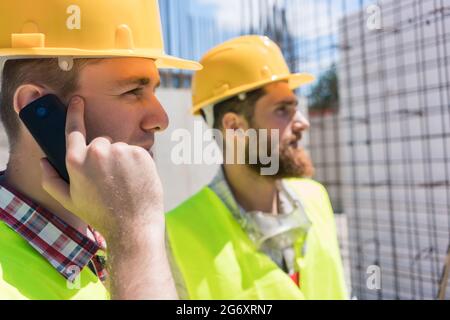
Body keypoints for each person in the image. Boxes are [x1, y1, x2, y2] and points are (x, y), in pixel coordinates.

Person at [0, 0, 201, 300]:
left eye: (154, 91)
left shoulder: (106, 248)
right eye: (133, 91)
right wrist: (135, 239)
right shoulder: (131, 242)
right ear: (36, 107)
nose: (161, 120)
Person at [166, 35, 348, 300]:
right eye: (282, 110)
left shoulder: (316, 197)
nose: (303, 123)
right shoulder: (177, 233)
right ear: (234, 127)